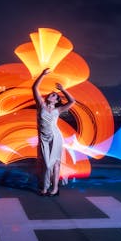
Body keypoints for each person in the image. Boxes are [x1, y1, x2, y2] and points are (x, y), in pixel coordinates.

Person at [32, 68, 75, 196]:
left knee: (55, 162)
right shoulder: (41, 105)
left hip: (56, 137)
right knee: (46, 163)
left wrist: (62, 90)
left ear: (56, 101)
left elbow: (72, 101)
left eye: (54, 95)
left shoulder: (59, 109)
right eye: (51, 94)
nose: (52, 95)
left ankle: (54, 189)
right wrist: (42, 75)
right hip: (44, 138)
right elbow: (34, 88)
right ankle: (46, 186)